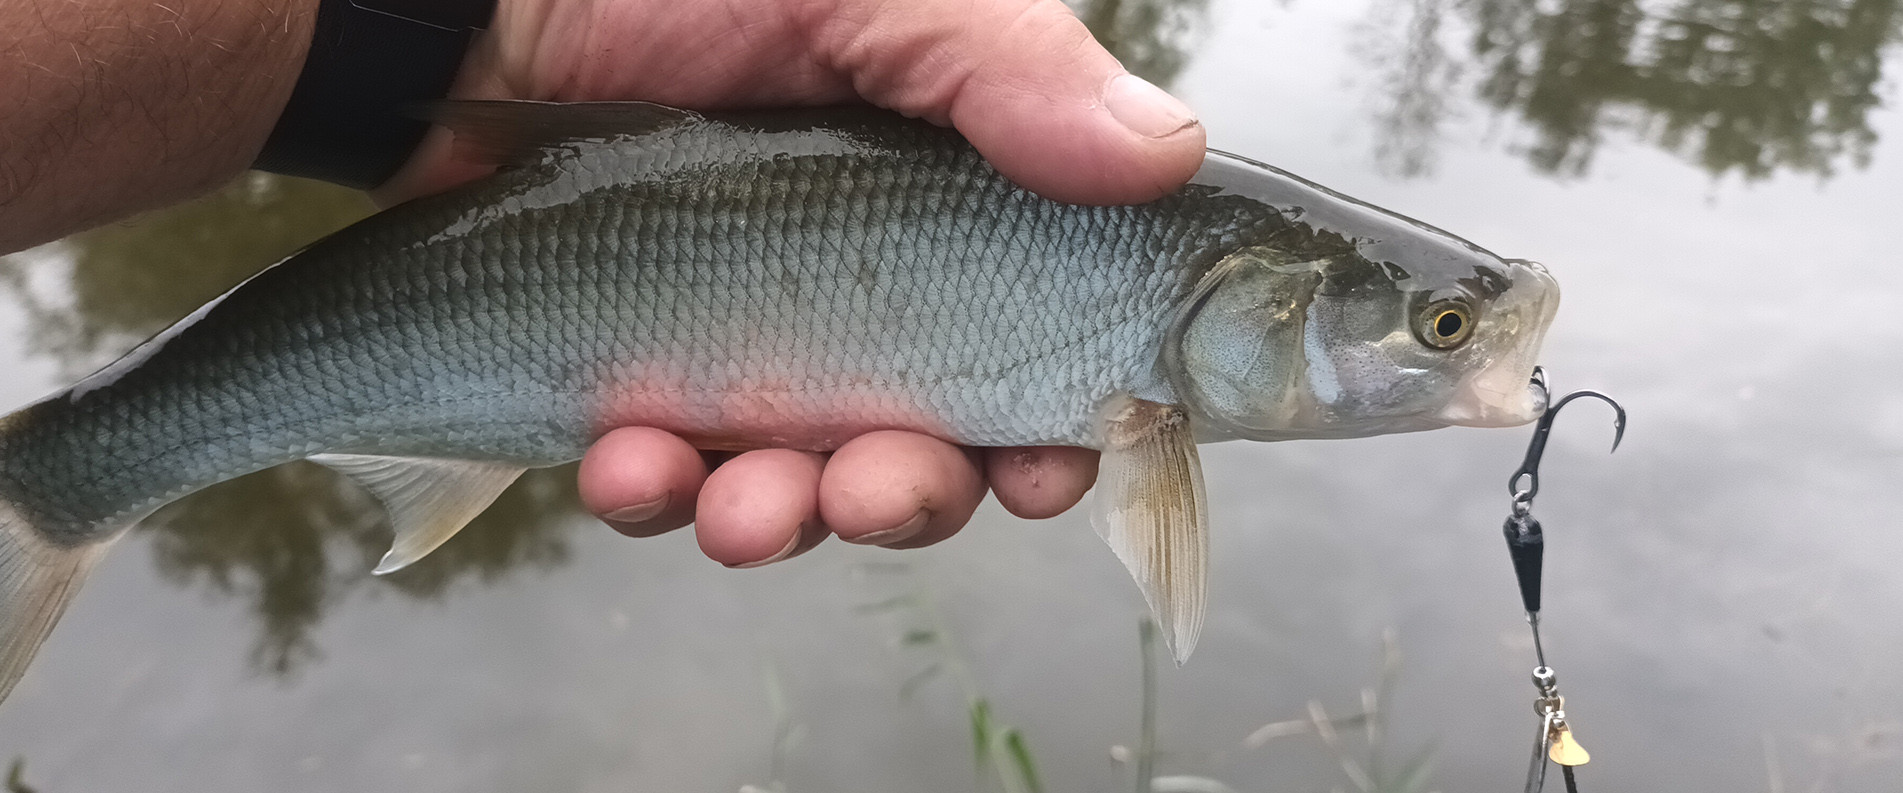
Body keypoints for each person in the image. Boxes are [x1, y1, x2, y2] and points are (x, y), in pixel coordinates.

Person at [0, 0, 1205, 568]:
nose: (1408, 365)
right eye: (1411, 329)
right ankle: (42, 493)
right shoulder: (1146, 387)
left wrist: (419, 38)